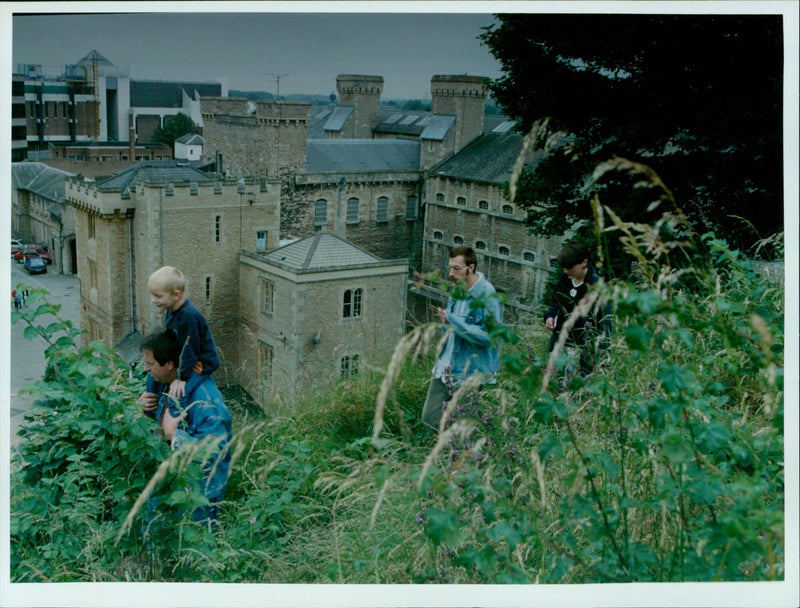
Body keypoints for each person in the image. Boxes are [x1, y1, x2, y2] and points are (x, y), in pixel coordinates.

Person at [139, 329, 233, 526]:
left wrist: (175, 436)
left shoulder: (205, 399)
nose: (145, 369)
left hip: (198, 492)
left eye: (150, 364)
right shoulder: (160, 382)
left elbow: (214, 453)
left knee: (194, 548)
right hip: (166, 480)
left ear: (170, 365)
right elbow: (155, 429)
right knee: (153, 535)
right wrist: (143, 411)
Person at [421, 245, 503, 432]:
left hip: (469, 371)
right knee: (430, 417)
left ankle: (461, 457)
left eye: (456, 268)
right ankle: (444, 454)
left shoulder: (487, 295)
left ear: (470, 268)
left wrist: (454, 321)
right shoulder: (457, 290)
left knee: (462, 427)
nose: (451, 273)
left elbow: (491, 337)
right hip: (445, 367)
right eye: (449, 267)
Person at [142, 266, 220, 406]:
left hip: (199, 363)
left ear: (176, 295)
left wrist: (181, 379)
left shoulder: (187, 316)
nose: (154, 300)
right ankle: (152, 409)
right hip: (183, 358)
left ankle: (174, 417)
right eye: (153, 295)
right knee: (151, 379)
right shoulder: (171, 309)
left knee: (179, 394)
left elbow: (189, 349)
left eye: (158, 296)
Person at [544, 242, 610, 376]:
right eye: (564, 268)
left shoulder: (597, 286)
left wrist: (603, 355)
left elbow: (605, 323)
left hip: (582, 349)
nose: (566, 271)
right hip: (560, 343)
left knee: (573, 387)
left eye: (570, 267)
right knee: (553, 383)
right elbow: (555, 304)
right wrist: (549, 317)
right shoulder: (564, 279)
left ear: (584, 262)